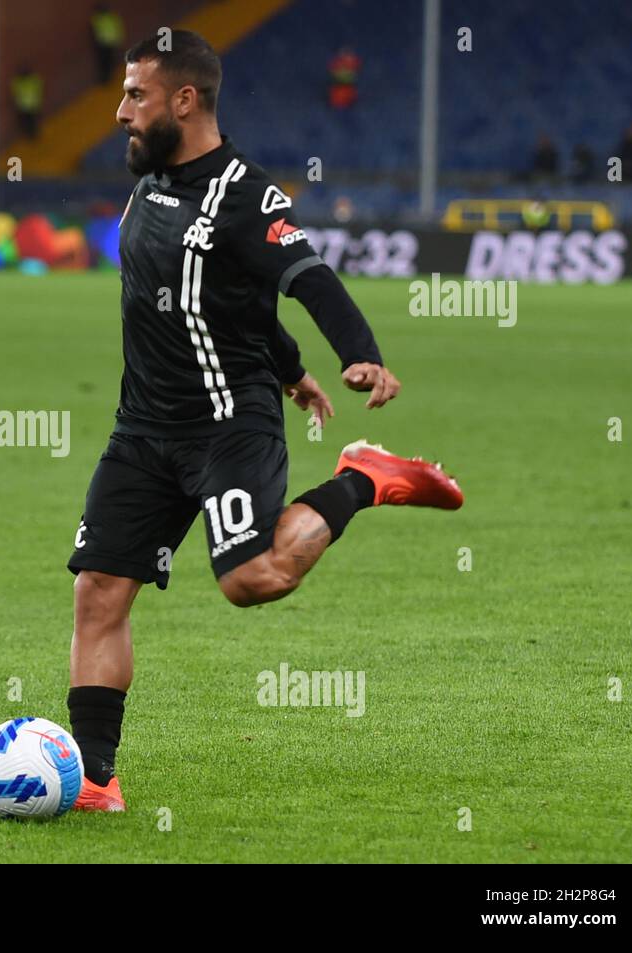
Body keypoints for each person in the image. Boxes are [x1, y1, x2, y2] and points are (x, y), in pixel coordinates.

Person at [66, 31, 463, 812]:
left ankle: (362, 479)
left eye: (136, 96)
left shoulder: (245, 195)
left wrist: (360, 353)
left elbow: (306, 276)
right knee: (98, 591)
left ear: (185, 101)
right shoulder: (150, 183)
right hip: (142, 427)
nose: (120, 113)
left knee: (251, 579)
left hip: (226, 427)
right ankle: (93, 777)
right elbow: (215, 299)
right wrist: (290, 368)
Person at [90, 4, 125, 85]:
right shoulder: (111, 17)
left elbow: (94, 32)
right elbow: (117, 28)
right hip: (109, 42)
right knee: (109, 61)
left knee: (105, 62)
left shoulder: (97, 19)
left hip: (103, 44)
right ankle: (110, 77)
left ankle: (107, 78)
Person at [10, 65, 44, 140]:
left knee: (29, 122)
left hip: (26, 106)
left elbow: (14, 93)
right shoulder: (33, 79)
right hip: (30, 105)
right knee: (30, 122)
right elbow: (39, 89)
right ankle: (32, 134)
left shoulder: (18, 81)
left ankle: (31, 134)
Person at [328, 46, 360, 110]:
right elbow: (333, 70)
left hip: (348, 85)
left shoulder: (353, 62)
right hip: (339, 85)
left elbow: (354, 71)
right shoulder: (337, 63)